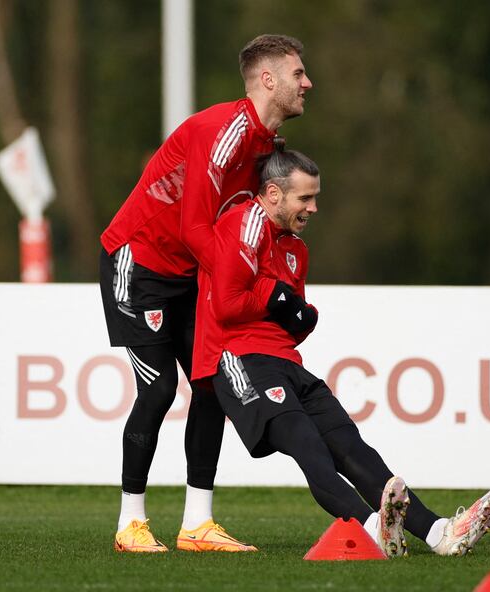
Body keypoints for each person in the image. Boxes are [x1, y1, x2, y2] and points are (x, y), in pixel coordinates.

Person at [191, 147, 490, 556]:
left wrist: (300, 315)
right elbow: (228, 305)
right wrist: (274, 295)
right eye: (305, 197)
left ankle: (439, 532)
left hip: (287, 363)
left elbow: (291, 320)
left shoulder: (295, 250)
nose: (314, 207)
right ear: (271, 194)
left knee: (352, 447)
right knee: (309, 446)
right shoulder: (245, 223)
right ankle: (374, 527)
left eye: (315, 196)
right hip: (239, 360)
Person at [99, 34, 313, 553]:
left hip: (193, 274)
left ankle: (197, 524)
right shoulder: (223, 130)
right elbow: (196, 226)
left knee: (213, 383)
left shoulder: (269, 148)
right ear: (268, 80)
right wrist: (251, 284)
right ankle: (131, 524)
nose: (307, 83)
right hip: (139, 261)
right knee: (158, 391)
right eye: (298, 73)